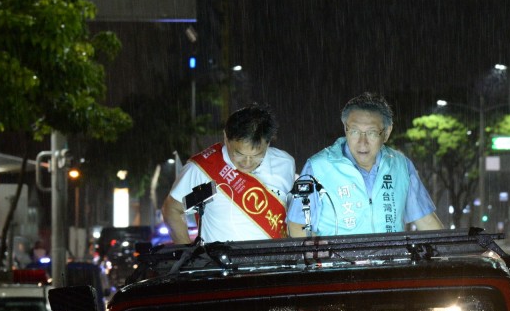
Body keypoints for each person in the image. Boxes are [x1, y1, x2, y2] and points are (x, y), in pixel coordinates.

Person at [286, 92, 442, 237]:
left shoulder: (401, 166)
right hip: (339, 265)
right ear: (345, 128)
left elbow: (427, 221)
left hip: (390, 264)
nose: (362, 142)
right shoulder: (317, 167)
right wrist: (331, 256)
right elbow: (297, 225)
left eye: (372, 133)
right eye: (354, 131)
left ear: (386, 133)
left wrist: (450, 253)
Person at [163, 104, 295, 244]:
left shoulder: (285, 163)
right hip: (222, 264)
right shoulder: (202, 169)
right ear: (226, 137)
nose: (247, 162)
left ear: (268, 143)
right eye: (239, 154)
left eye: (256, 155)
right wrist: (189, 256)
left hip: (274, 263)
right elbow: (172, 210)